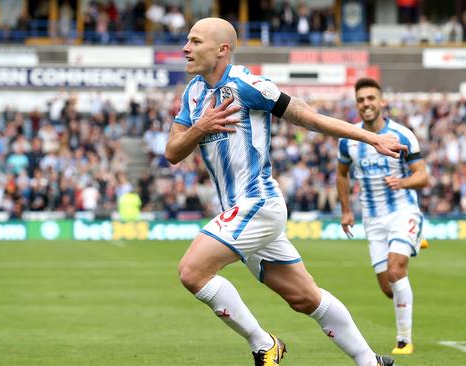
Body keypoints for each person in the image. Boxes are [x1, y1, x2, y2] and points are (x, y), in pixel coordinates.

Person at [165, 17, 404, 366]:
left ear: (222, 49)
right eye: (187, 41)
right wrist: (200, 127)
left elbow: (310, 118)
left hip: (258, 204)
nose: (185, 48)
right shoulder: (194, 93)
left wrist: (372, 137)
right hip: (239, 214)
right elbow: (172, 152)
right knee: (305, 298)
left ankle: (264, 344)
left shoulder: (248, 84)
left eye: (195, 41)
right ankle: (370, 361)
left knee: (192, 272)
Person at [335, 78, 430, 356]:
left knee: (396, 270)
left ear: (382, 101)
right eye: (361, 100)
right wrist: (346, 209)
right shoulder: (350, 139)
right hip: (373, 220)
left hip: (402, 211)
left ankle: (404, 340)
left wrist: (404, 182)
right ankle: (414, 240)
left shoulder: (402, 135)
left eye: (371, 98)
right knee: (389, 288)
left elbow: (423, 176)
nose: (366, 104)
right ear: (357, 104)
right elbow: (341, 175)